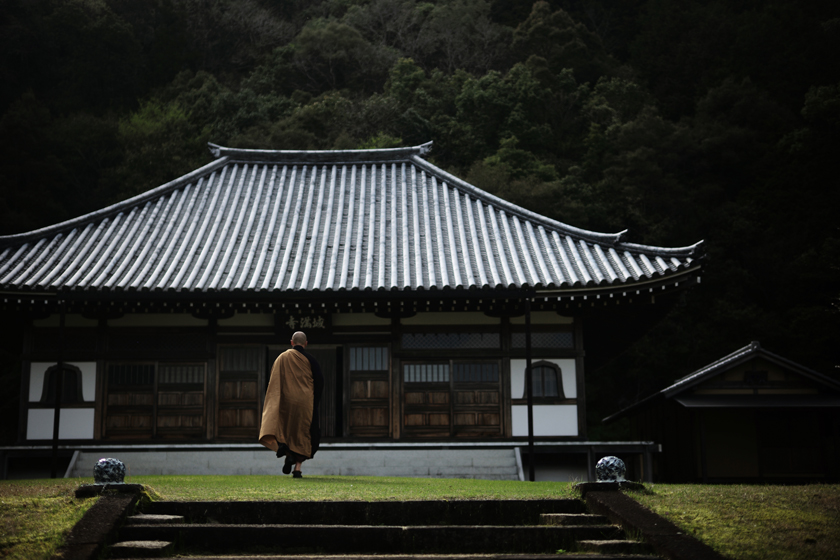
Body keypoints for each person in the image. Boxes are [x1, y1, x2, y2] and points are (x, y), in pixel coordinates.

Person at [259, 331, 323, 478]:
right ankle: (297, 468)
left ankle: (287, 453)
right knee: (304, 434)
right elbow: (320, 382)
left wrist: (277, 400)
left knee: (286, 430)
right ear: (306, 343)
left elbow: (275, 381)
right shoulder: (311, 360)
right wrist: (314, 401)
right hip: (305, 403)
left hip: (286, 402)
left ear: (291, 342)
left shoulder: (282, 358)